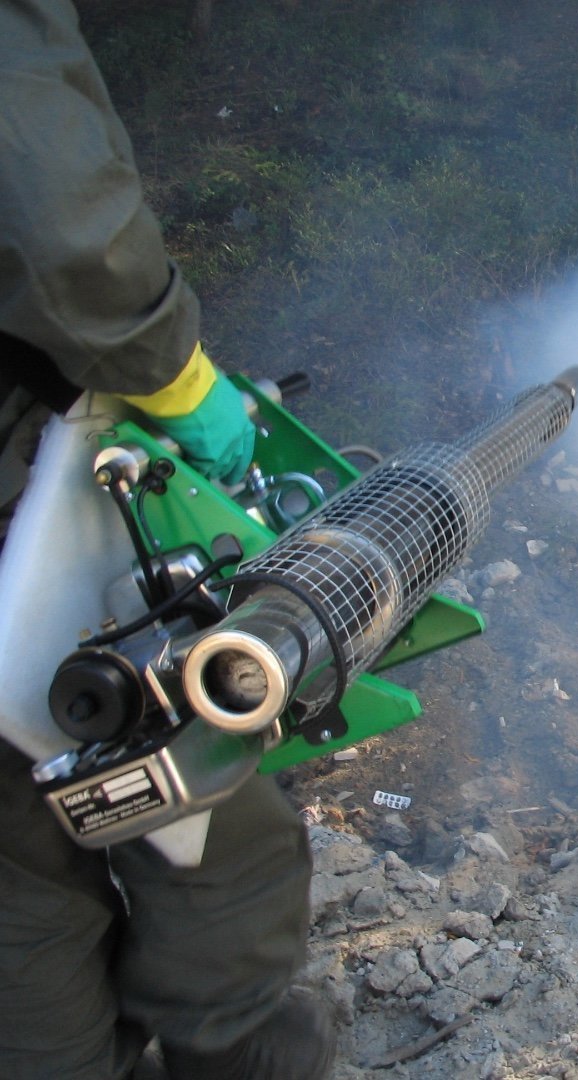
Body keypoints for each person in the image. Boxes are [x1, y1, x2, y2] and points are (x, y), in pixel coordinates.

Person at [0, 2, 335, 1077]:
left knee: (15, 879)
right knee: (205, 819)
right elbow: (60, 225)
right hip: (28, 498)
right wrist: (174, 376)